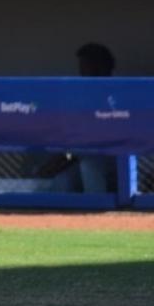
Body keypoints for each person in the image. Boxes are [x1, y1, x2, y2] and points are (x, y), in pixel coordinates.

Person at [44, 43, 117, 193]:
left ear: (100, 67)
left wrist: (68, 157)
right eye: (82, 66)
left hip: (118, 159)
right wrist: (63, 160)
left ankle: (98, 211)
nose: (82, 71)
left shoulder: (116, 93)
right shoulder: (82, 95)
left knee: (89, 166)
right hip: (85, 156)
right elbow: (75, 139)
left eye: (87, 66)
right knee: (62, 181)